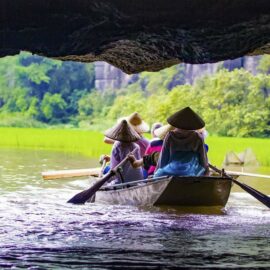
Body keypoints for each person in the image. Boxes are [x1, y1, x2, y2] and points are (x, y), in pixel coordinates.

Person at [154, 107, 209, 177]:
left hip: (171, 174)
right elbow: (203, 160)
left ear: (177, 122)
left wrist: (157, 173)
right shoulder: (197, 137)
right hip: (192, 174)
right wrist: (206, 173)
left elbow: (163, 158)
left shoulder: (170, 136)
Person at [104, 119, 144, 184]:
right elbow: (126, 162)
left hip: (123, 180)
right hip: (138, 179)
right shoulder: (136, 146)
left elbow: (115, 168)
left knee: (106, 179)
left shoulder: (117, 146)